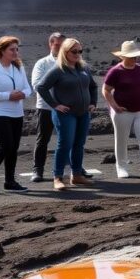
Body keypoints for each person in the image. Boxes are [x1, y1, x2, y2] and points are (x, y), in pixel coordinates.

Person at [36, 38, 97, 191]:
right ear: (65, 52)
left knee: (79, 144)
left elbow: (93, 86)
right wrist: (55, 105)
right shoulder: (58, 70)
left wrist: (93, 103)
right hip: (65, 114)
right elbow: (41, 87)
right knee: (65, 144)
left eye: (80, 51)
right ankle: (58, 177)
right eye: (74, 51)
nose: (77, 54)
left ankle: (76, 175)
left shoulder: (83, 68)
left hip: (83, 113)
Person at [0, 36, 33, 194]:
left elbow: (27, 88)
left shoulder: (18, 68)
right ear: (2, 50)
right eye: (12, 49)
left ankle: (10, 181)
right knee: (6, 145)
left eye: (17, 49)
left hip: (16, 112)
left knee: (14, 148)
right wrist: (7, 95)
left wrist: (23, 94)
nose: (16, 52)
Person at [103, 40, 140, 179]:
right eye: (131, 57)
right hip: (122, 112)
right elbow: (106, 90)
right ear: (122, 57)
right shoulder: (116, 71)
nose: (134, 59)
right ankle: (121, 167)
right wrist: (114, 106)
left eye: (135, 57)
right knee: (122, 139)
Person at [30, 31, 65, 182]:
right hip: (46, 108)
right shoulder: (42, 63)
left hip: (66, 107)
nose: (60, 47)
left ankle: (75, 168)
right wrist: (54, 103)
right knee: (43, 139)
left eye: (63, 45)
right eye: (57, 45)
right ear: (50, 44)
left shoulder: (72, 62)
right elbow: (37, 85)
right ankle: (38, 170)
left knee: (68, 138)